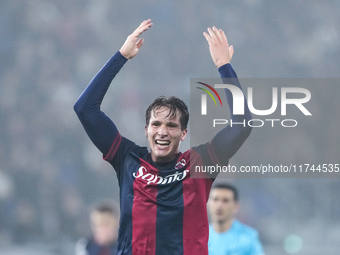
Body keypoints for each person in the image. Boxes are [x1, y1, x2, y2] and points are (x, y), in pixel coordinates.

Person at [74, 19, 252, 255]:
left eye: (171, 125)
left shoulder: (199, 162)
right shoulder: (127, 158)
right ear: (146, 130)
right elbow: (85, 109)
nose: (162, 131)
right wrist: (120, 56)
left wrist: (224, 66)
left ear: (183, 133)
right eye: (156, 124)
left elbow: (242, 125)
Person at [208, 183, 264, 255]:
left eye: (225, 201)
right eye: (215, 200)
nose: (219, 205)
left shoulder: (248, 237)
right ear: (208, 203)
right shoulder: (200, 238)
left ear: (235, 206)